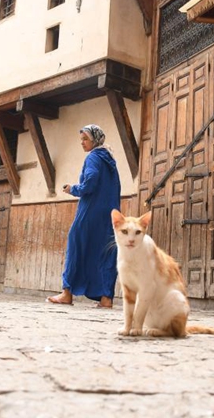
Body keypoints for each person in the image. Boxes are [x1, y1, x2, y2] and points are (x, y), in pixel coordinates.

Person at [47, 124, 121, 308]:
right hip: (109, 214)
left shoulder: (94, 157)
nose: (82, 143)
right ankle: (106, 298)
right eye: (81, 139)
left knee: (75, 243)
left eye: (85, 139)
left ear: (95, 140)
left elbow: (90, 182)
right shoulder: (110, 160)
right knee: (106, 251)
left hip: (90, 212)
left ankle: (67, 293)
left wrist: (73, 189)